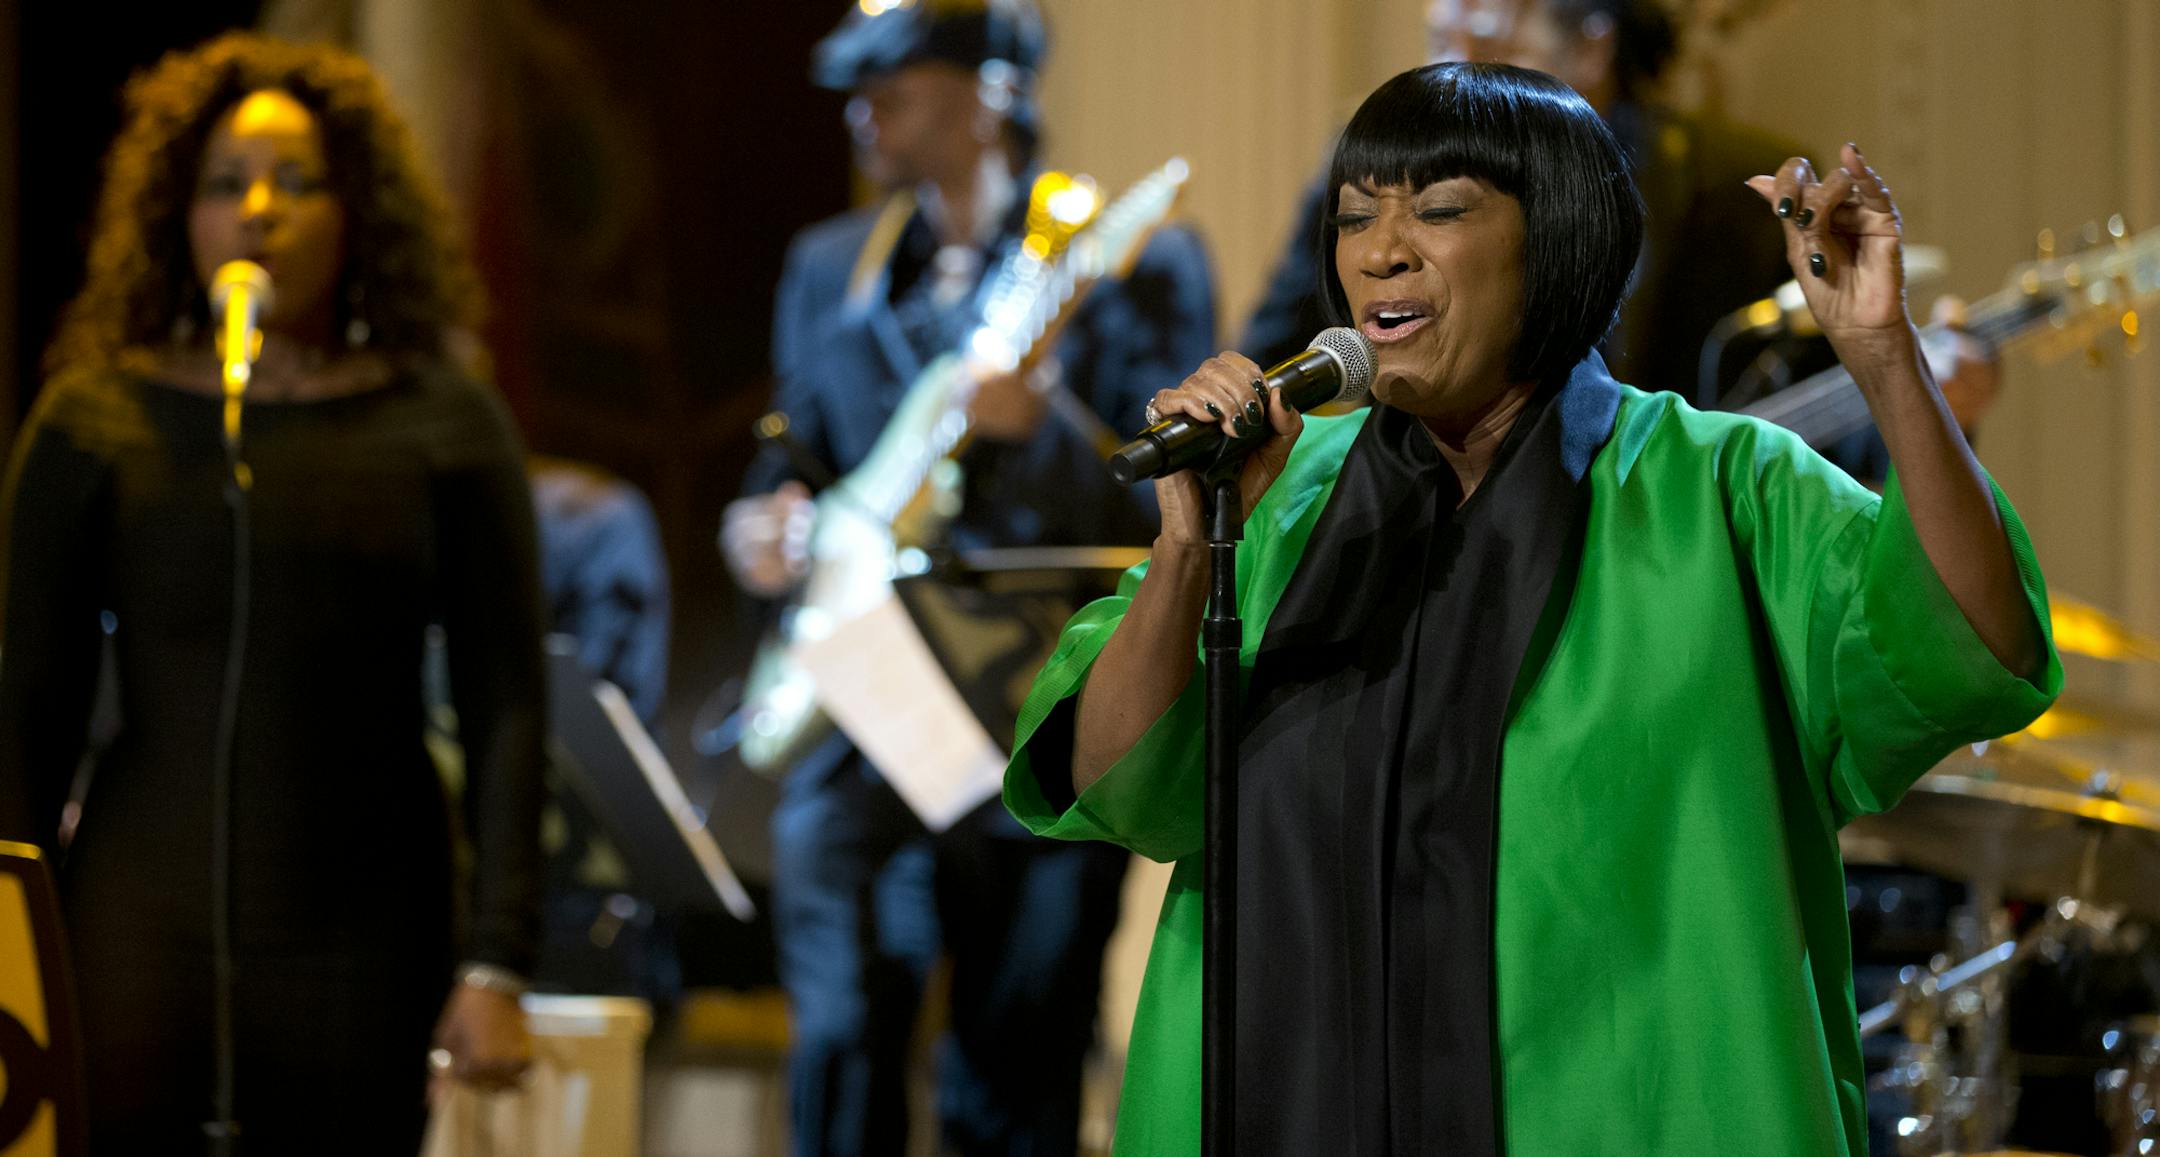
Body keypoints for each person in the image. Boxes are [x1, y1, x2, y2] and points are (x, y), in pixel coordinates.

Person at [1004, 63, 2060, 1155]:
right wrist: (1189, 543)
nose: (1382, 249)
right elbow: (1113, 784)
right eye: (1357, 215)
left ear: (1554, 239)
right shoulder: (1272, 495)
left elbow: (1971, 645)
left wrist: (1887, 357)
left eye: (1442, 208)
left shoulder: (1723, 486)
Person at [0, 34, 544, 1151]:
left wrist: (498, 952)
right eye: (223, 184)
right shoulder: (95, 417)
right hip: (132, 929)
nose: (259, 209)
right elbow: (29, 703)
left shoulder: (441, 420)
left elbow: (507, 698)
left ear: (357, 215)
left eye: (297, 182)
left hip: (365, 932)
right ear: (175, 216)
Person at [718, 2, 1216, 1152]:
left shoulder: (1128, 254)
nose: (863, 106)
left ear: (991, 89)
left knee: (1015, 1058)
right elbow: (790, 462)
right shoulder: (831, 266)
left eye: (895, 77)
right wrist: (761, 530)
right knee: (839, 1032)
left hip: (1026, 706)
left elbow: (1182, 500)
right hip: (865, 714)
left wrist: (1042, 430)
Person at [1241, 0, 1997, 476]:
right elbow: (1273, 360)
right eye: (1441, 42)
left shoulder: (1734, 194)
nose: (1450, 82)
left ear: (1591, 51)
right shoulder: (1366, 180)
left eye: (1489, 44)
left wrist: (1921, 398)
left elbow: (1830, 446)